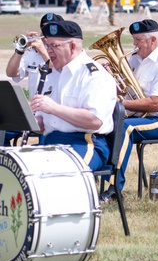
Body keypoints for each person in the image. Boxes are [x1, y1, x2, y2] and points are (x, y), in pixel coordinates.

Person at [100, 20, 158, 203]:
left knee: (125, 128)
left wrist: (121, 103)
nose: (134, 44)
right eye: (134, 39)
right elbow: (124, 90)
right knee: (105, 123)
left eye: (138, 40)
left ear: (153, 40)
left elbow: (155, 104)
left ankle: (114, 188)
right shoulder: (134, 59)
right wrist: (107, 78)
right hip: (138, 118)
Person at [29, 20, 116, 170]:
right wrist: (26, 119)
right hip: (51, 141)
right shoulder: (52, 74)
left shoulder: (94, 75)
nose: (48, 51)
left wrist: (54, 108)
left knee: (61, 170)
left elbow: (95, 121)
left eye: (54, 46)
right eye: (47, 46)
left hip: (85, 142)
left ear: (73, 46)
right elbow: (43, 124)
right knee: (17, 165)